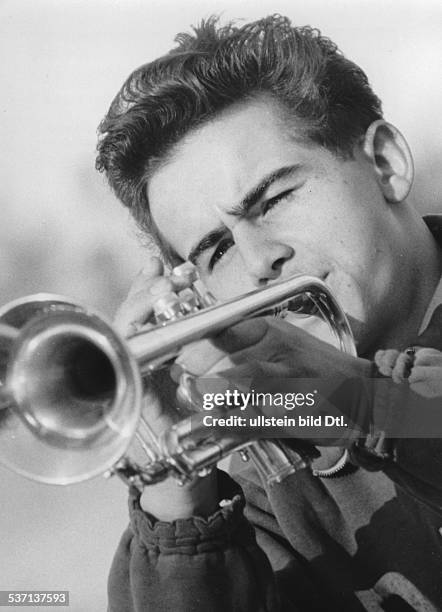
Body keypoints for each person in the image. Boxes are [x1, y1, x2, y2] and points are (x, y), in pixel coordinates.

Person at [95, 15, 442, 612]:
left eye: (275, 199)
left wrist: (351, 401)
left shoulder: (316, 403)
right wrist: (177, 493)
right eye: (217, 249)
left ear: (385, 163)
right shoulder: (271, 458)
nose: (260, 260)